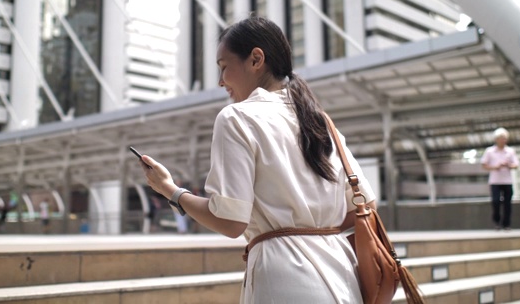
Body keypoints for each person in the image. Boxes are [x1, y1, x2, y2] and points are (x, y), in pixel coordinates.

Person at [136, 16, 376, 303]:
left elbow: (230, 222)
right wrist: (317, 229)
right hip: (343, 275)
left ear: (256, 59)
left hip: (283, 277)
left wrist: (171, 191)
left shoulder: (237, 117)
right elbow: (366, 204)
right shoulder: (320, 121)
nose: (221, 81)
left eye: (224, 67)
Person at [481, 127, 519, 230]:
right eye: (501, 138)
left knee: (507, 204)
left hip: (507, 181)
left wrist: (508, 165)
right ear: (496, 139)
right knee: (496, 202)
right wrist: (495, 167)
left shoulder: (510, 151)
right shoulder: (489, 151)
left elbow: (516, 165)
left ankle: (506, 224)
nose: (503, 140)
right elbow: (484, 164)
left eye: (505, 138)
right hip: (495, 181)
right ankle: (497, 222)